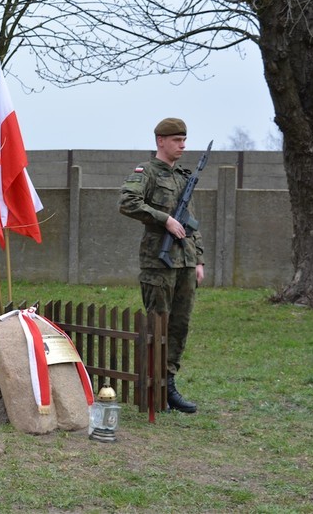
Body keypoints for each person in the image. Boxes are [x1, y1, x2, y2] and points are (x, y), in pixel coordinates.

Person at [118, 117, 204, 413]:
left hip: (186, 262)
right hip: (158, 262)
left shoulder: (183, 175)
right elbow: (127, 202)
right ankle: (152, 387)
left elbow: (192, 221)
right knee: (159, 325)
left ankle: (169, 386)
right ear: (160, 142)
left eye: (184, 140)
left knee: (180, 326)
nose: (183, 145)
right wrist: (163, 218)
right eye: (177, 140)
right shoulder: (147, 173)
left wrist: (199, 259)